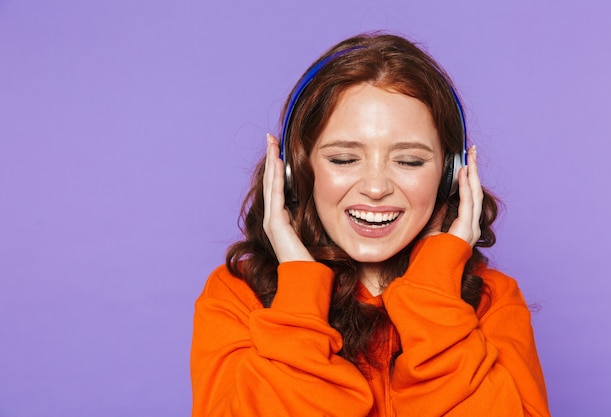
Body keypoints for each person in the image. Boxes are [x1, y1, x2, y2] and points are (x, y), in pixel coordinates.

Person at [190, 32, 550, 417]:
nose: (376, 188)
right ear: (296, 170)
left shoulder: (494, 303)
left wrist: (434, 294)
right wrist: (298, 297)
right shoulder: (235, 299)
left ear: (451, 175)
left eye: (409, 161)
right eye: (344, 159)